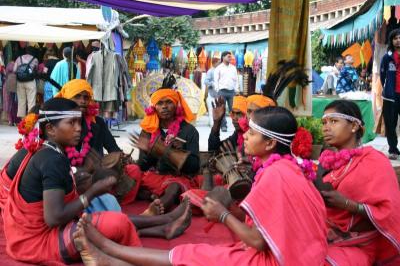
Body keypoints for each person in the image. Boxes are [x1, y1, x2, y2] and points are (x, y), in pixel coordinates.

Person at [72, 106, 328, 266]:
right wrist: (151, 150)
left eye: (251, 132)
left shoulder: (275, 175)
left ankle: (109, 250)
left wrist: (223, 214)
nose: (245, 136)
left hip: (274, 259)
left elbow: (258, 242)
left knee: (191, 254)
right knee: (196, 248)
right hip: (290, 254)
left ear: (270, 144)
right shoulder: (284, 168)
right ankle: (123, 246)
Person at [2, 98, 193, 265]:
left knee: (109, 218)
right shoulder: (52, 159)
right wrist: (94, 190)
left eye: (79, 122)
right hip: (38, 243)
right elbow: (54, 218)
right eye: (72, 123)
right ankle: (163, 227)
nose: (79, 128)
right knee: (115, 222)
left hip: (31, 236)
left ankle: (164, 223)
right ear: (50, 129)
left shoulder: (50, 152)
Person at [316, 100, 400, 265]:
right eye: (324, 122)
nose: (326, 127)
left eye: (333, 121)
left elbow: (389, 212)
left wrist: (348, 204)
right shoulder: (326, 162)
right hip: (321, 233)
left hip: (360, 243)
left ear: (354, 126)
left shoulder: (374, 161)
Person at [128, 74, 200, 215]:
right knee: (131, 175)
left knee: (173, 187)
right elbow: (143, 166)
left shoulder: (189, 130)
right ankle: (151, 196)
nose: (164, 107)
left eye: (168, 102)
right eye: (160, 103)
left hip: (178, 178)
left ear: (176, 105)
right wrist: (148, 151)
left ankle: (158, 209)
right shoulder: (148, 130)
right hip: (154, 177)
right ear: (154, 107)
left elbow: (194, 167)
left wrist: (175, 153)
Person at [55, 79, 121, 159]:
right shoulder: (57, 124)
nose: (83, 101)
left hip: (97, 169)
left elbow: (114, 149)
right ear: (66, 99)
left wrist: (121, 157)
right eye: (77, 96)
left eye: (86, 97)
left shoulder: (98, 122)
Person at [380, 29, 400, 160]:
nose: (398, 40)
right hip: (391, 96)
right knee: (390, 123)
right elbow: (382, 75)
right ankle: (393, 149)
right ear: (391, 41)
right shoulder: (387, 57)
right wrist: (388, 89)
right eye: (395, 38)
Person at [214, 51, 239, 132]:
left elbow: (236, 80)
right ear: (223, 57)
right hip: (222, 91)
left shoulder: (233, 68)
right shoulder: (218, 68)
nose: (230, 58)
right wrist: (218, 90)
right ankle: (223, 126)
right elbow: (216, 80)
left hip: (232, 92)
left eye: (230, 56)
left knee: (234, 110)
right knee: (222, 109)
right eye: (228, 56)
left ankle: (237, 126)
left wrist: (236, 89)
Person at [13, 46, 39, 118]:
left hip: (20, 82)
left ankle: (22, 120)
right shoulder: (35, 59)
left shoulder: (19, 58)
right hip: (30, 82)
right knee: (31, 101)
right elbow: (36, 69)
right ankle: (30, 120)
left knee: (21, 101)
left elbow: (14, 70)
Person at [204, 56, 220, 126]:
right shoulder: (210, 71)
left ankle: (213, 123)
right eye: (218, 62)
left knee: (217, 110)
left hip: (219, 94)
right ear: (215, 63)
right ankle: (212, 124)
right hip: (211, 94)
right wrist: (212, 83)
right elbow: (205, 81)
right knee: (211, 110)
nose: (220, 64)